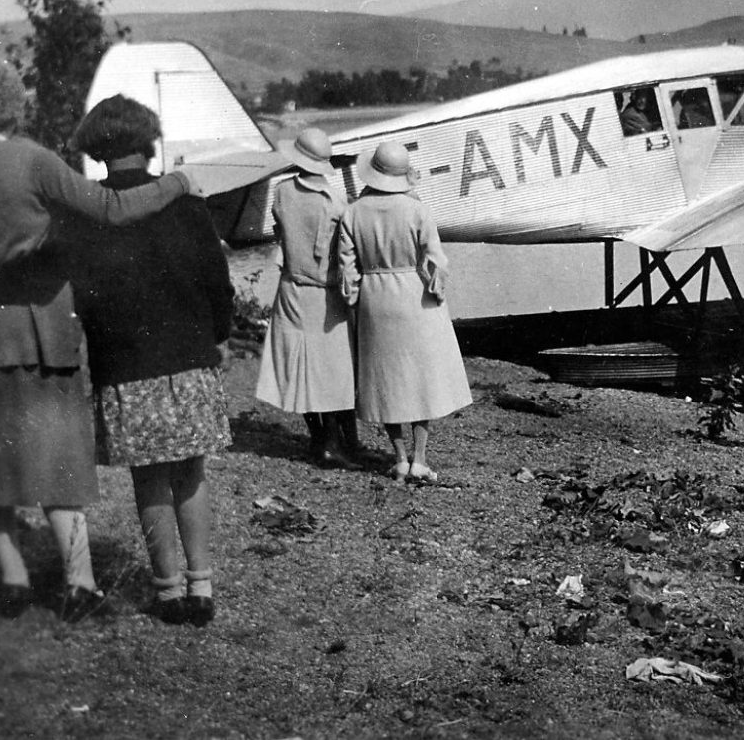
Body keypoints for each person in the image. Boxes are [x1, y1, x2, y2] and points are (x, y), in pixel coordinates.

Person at [0, 59, 200, 622]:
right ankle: (79, 580)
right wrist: (179, 182)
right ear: (15, 106)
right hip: (37, 332)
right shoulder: (33, 161)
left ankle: (12, 577)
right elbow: (112, 209)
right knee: (55, 463)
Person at [67, 95, 234, 627]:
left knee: (149, 480)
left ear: (95, 151)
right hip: (188, 357)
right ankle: (201, 586)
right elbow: (217, 284)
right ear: (148, 143)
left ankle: (165, 591)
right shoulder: (186, 207)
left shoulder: (87, 215)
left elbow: (85, 301)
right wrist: (220, 337)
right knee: (191, 473)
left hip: (125, 366)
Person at [337, 142, 472, 484]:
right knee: (420, 378)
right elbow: (436, 258)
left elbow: (347, 267)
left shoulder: (354, 211)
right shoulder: (417, 210)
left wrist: (354, 297)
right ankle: (420, 459)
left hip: (375, 296)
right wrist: (436, 290)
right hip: (414, 293)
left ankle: (398, 458)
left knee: (386, 380)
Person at [253, 128, 359, 468]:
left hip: (289, 287)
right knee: (332, 369)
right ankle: (334, 444)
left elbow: (281, 232)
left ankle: (323, 440)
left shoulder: (282, 193)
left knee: (298, 365)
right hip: (324, 293)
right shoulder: (336, 201)